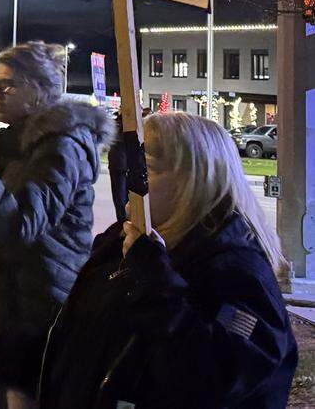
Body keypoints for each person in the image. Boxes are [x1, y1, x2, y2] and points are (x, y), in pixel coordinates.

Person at [38, 111, 297, 409]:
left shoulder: (238, 273)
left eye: (144, 168)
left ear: (193, 181)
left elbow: (212, 378)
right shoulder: (120, 243)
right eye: (130, 165)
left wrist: (154, 279)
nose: (129, 178)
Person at [0, 41, 113, 408]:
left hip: (37, 326)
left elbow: (19, 226)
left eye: (7, 85)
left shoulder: (60, 147)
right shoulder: (23, 147)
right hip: (10, 326)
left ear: (38, 91)